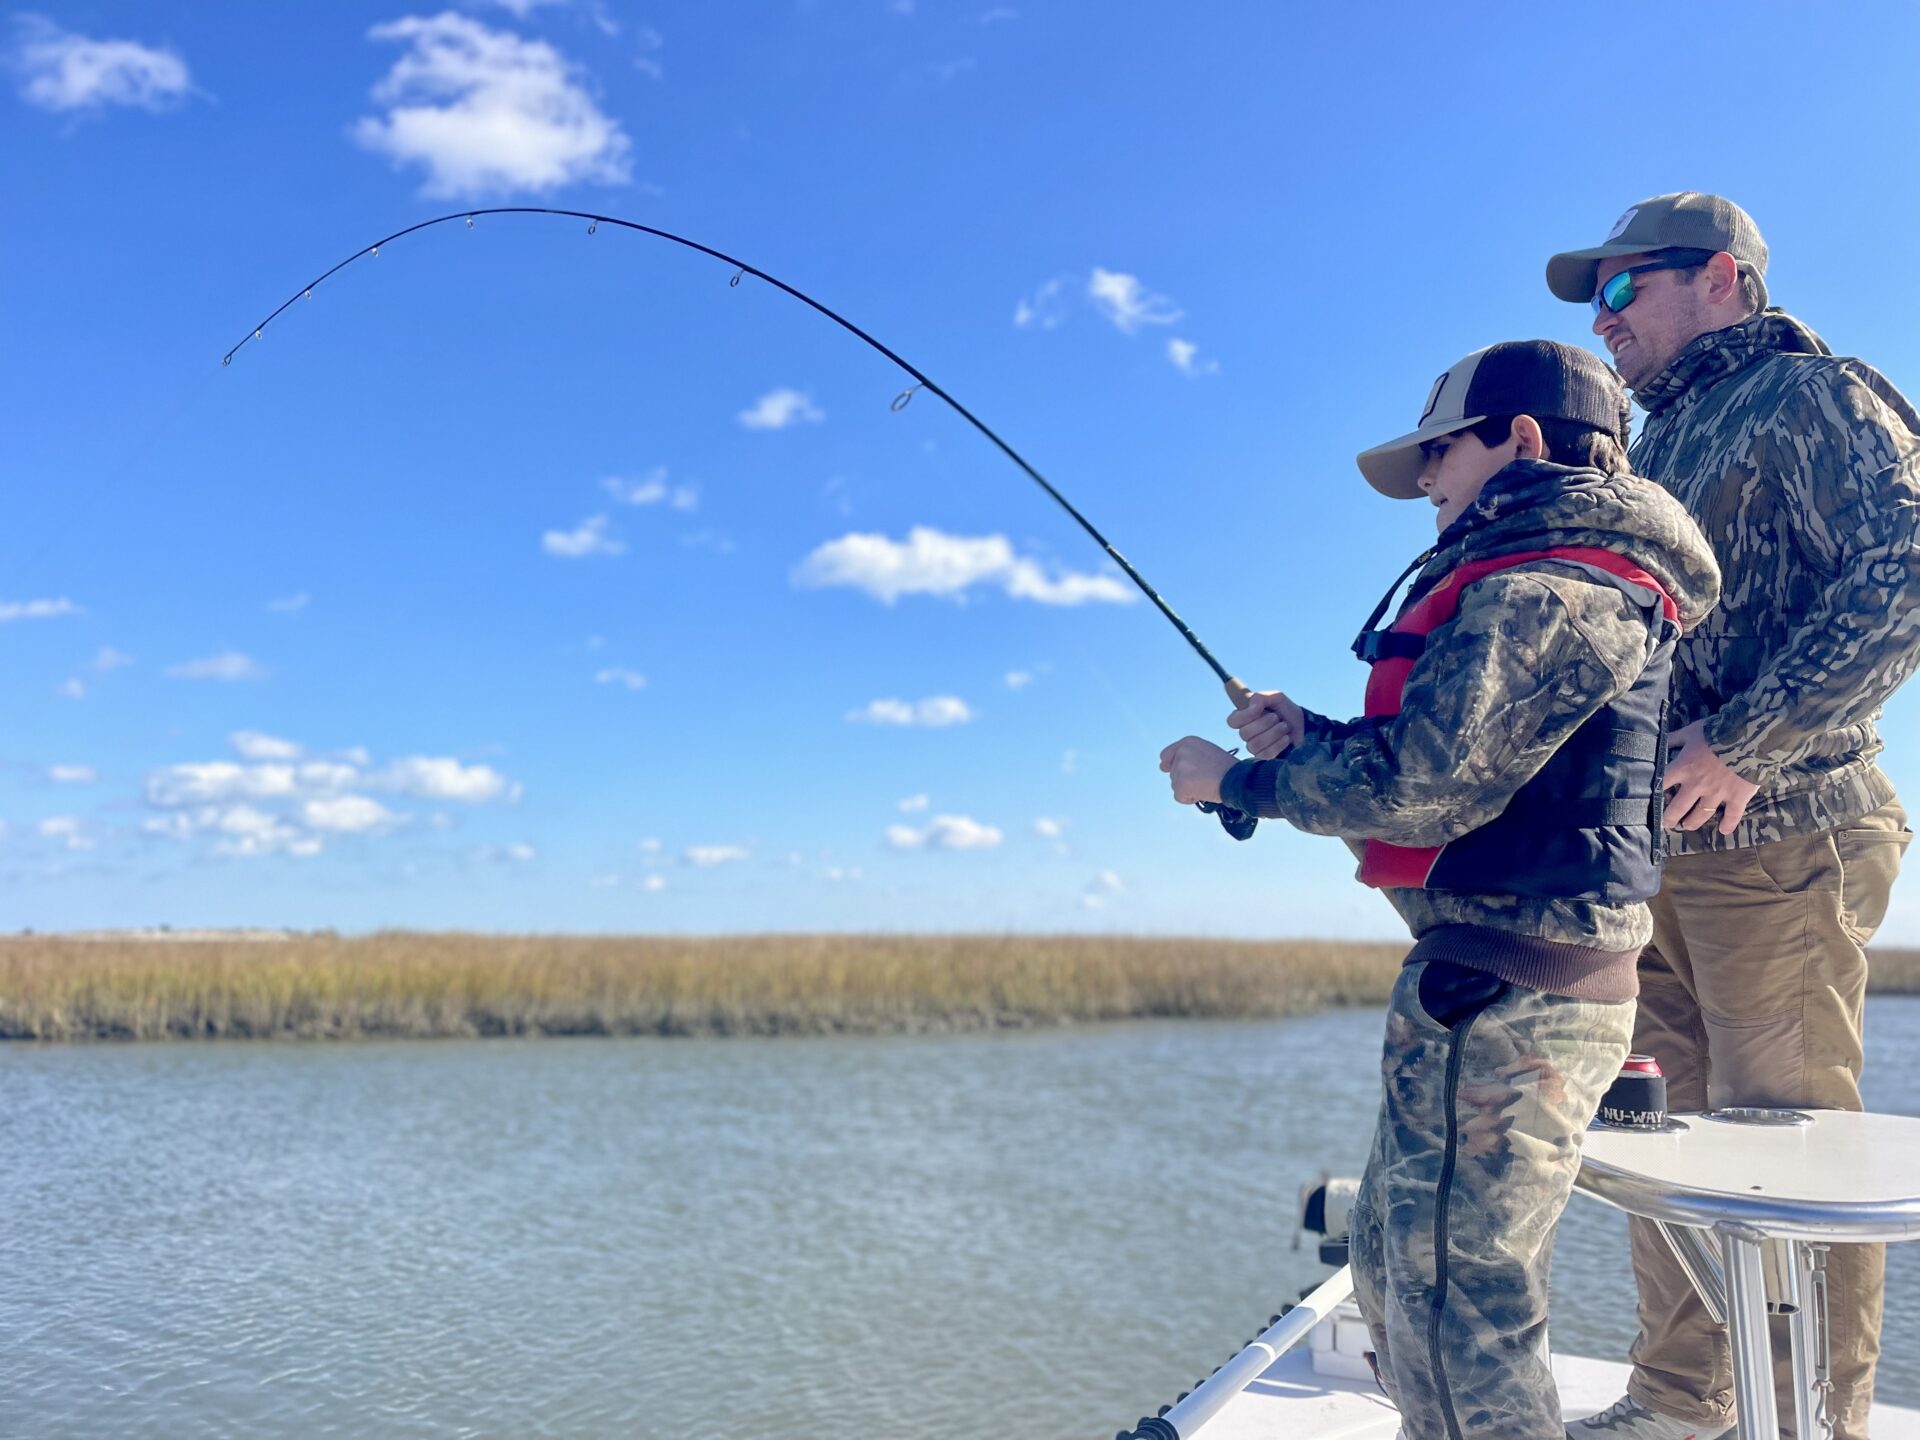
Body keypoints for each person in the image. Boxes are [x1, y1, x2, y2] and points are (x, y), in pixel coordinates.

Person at [1159, 340, 1720, 1440]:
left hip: (1509, 1001)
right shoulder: (1553, 580)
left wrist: (1241, 781)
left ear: (1521, 439)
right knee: (1398, 1270)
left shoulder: (1549, 588)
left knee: (1461, 1303)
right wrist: (1313, 740)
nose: (1426, 483)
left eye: (1439, 455)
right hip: (1486, 993)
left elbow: (1423, 786)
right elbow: (1463, 764)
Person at [1544, 193, 1920, 1440]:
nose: (1603, 325)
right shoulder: (1653, 449)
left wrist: (1752, 741)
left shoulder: (1811, 394)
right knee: (1662, 1134)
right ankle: (1680, 1404)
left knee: (1786, 1144)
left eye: (1618, 292)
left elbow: (1908, 564)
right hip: (1663, 859)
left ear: (1721, 281)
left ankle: (1820, 1421)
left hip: (1788, 834)